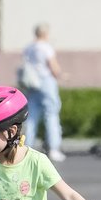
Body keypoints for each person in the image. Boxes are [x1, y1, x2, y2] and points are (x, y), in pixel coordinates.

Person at [21, 23, 67, 162]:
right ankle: (54, 148)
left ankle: (27, 147)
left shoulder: (29, 47)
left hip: (32, 83)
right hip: (46, 81)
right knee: (51, 113)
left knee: (31, 115)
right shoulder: (46, 47)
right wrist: (61, 75)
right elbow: (53, 66)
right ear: (46, 34)